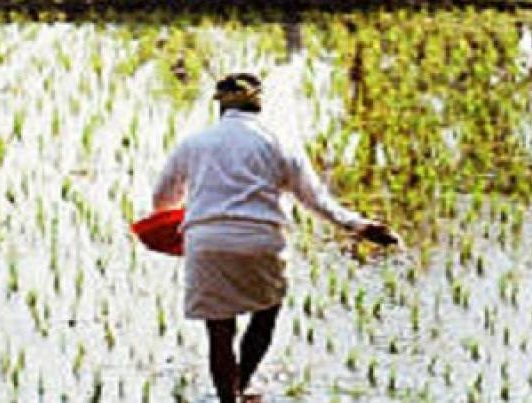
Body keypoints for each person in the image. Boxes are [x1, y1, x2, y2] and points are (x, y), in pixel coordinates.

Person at [152, 73, 400, 402]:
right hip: (261, 239)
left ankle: (228, 400)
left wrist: (187, 221)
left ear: (219, 105)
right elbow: (316, 200)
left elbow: (163, 199)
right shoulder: (279, 141)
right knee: (266, 311)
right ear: (259, 103)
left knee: (219, 330)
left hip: (207, 241)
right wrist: (361, 226)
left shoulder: (194, 143)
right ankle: (244, 385)